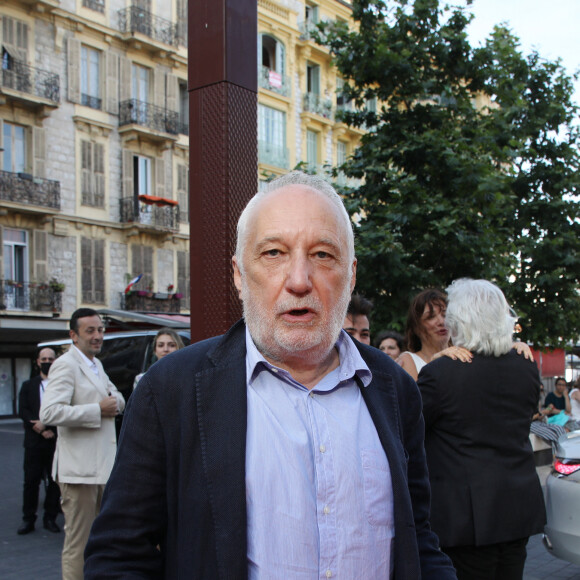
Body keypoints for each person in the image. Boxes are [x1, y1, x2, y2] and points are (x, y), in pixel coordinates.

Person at [84, 171, 456, 579]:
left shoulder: (394, 388)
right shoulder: (171, 389)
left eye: (322, 255)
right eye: (274, 253)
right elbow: (119, 557)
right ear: (240, 276)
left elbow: (418, 539)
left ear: (350, 277)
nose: (299, 281)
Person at [418, 279, 546, 580]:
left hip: (467, 519)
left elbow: (409, 431)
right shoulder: (526, 365)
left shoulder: (440, 373)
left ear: (459, 320)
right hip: (517, 508)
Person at [40, 308, 125, 580]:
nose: (98, 336)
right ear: (73, 335)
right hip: (78, 474)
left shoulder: (95, 364)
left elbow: (118, 399)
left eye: (100, 330)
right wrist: (96, 410)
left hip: (101, 470)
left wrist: (111, 404)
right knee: (79, 545)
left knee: (100, 543)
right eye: (90, 331)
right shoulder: (65, 364)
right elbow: (49, 413)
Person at [17, 347, 61, 535]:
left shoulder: (60, 386)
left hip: (54, 441)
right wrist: (40, 428)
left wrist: (49, 428)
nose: (47, 362)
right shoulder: (28, 385)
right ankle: (28, 519)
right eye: (43, 358)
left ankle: (50, 518)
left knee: (54, 482)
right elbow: (23, 410)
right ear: (37, 362)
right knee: (31, 482)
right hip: (34, 443)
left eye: (50, 359)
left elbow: (64, 410)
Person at [397, 288, 472, 381]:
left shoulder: (463, 354)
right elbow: (416, 395)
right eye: (430, 317)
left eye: (445, 315)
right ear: (416, 328)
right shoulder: (408, 360)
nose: (441, 322)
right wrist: (434, 364)